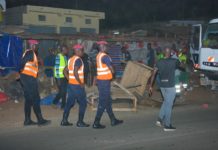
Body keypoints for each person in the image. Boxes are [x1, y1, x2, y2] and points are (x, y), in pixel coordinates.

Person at [149, 47, 181, 131]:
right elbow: (182, 65)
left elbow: (153, 74)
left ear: (163, 53)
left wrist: (150, 86)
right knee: (169, 105)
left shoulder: (158, 62)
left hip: (162, 86)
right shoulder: (174, 61)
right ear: (170, 53)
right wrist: (175, 56)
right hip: (170, 85)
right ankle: (167, 125)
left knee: (166, 102)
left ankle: (159, 119)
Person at [92, 41, 123, 129]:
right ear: (103, 47)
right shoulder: (105, 56)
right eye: (106, 46)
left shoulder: (98, 55)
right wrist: (113, 73)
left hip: (102, 81)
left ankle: (113, 120)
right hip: (104, 82)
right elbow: (111, 69)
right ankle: (96, 122)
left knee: (107, 101)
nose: (107, 47)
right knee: (102, 102)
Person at [20, 39, 51, 126]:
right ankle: (40, 120)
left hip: (26, 79)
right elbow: (22, 63)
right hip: (29, 79)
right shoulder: (30, 53)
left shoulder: (29, 53)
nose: (37, 47)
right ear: (33, 45)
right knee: (36, 99)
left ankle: (27, 120)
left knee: (28, 100)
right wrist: (22, 71)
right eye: (37, 46)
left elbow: (27, 64)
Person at [60, 44, 89, 127]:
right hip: (77, 86)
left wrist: (69, 79)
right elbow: (76, 72)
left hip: (71, 85)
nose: (83, 53)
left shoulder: (70, 59)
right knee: (83, 103)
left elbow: (64, 71)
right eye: (82, 51)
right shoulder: (78, 60)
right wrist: (81, 83)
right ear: (79, 51)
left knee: (69, 103)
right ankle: (80, 122)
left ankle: (64, 120)